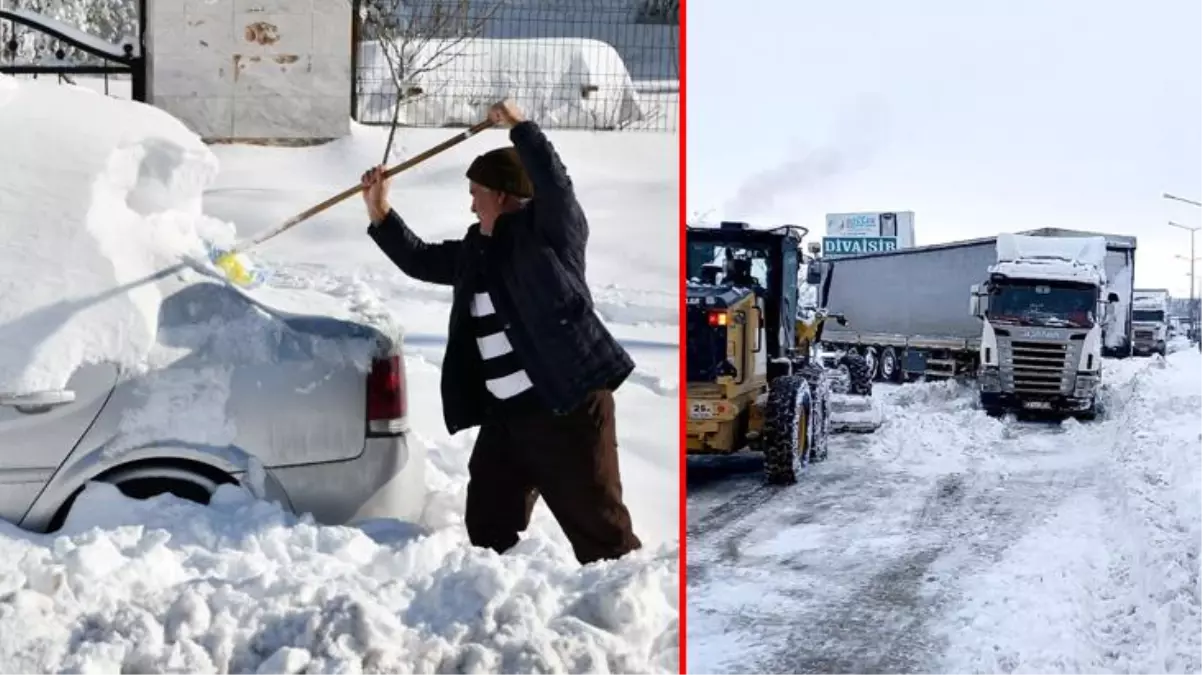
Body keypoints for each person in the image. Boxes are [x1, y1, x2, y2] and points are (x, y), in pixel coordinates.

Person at [359, 100, 643, 565]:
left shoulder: (550, 235)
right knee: (488, 526)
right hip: (507, 421)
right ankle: (500, 601)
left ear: (504, 195)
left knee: (601, 532)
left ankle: (626, 606)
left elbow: (556, 184)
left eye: (477, 192)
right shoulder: (477, 249)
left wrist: (521, 128)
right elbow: (420, 259)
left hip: (566, 409)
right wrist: (379, 209)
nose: (471, 202)